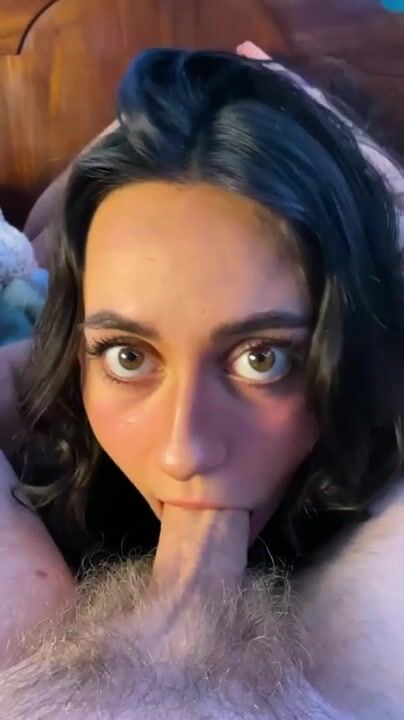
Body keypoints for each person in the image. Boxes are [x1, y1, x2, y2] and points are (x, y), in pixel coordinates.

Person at [0, 42, 404, 718]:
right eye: (128, 356)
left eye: (262, 358)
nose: (182, 452)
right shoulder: (52, 376)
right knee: (42, 238)